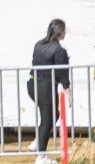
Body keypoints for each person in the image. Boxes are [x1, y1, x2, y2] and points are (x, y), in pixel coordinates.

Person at [29, 19, 70, 162]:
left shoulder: (38, 44)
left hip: (32, 85)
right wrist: (68, 91)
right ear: (60, 32)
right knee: (47, 120)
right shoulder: (59, 50)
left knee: (52, 116)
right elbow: (62, 73)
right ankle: (40, 157)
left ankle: (38, 142)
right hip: (45, 88)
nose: (66, 32)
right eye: (65, 30)